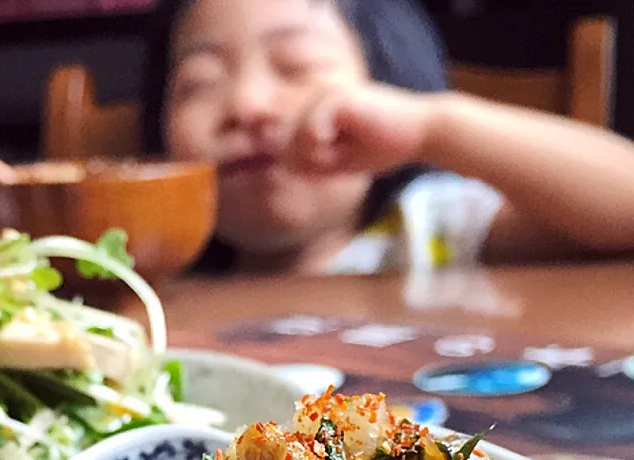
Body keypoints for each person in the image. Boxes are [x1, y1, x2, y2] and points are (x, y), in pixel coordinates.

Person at [141, 0, 634, 276]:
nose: (247, 105)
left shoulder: (430, 229)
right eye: (198, 84)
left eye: (298, 65)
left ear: (387, 82)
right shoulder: (162, 277)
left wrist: (433, 127)